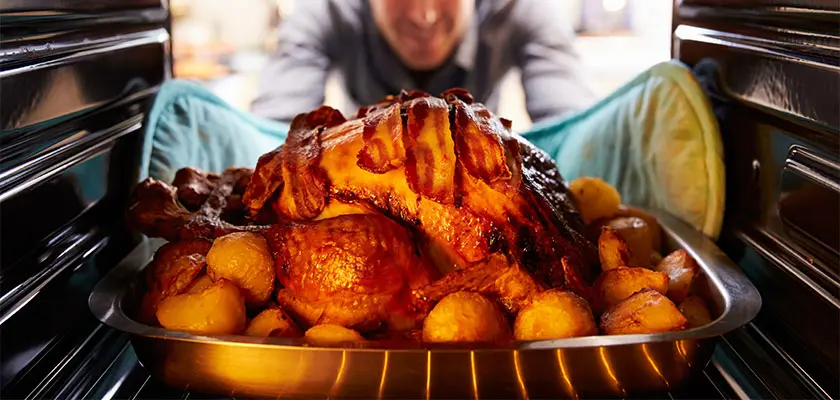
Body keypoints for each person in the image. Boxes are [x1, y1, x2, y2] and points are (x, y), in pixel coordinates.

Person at [251, 0, 596, 123]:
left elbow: (573, 124)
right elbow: (275, 129)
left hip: (480, 192)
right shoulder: (324, 11)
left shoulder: (521, 10)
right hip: (363, 191)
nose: (424, 15)